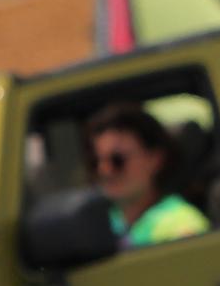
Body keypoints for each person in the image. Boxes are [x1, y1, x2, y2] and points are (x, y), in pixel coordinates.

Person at [86, 104, 211, 249]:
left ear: (155, 159)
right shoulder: (95, 224)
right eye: (95, 162)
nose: (104, 170)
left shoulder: (182, 226)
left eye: (117, 160)